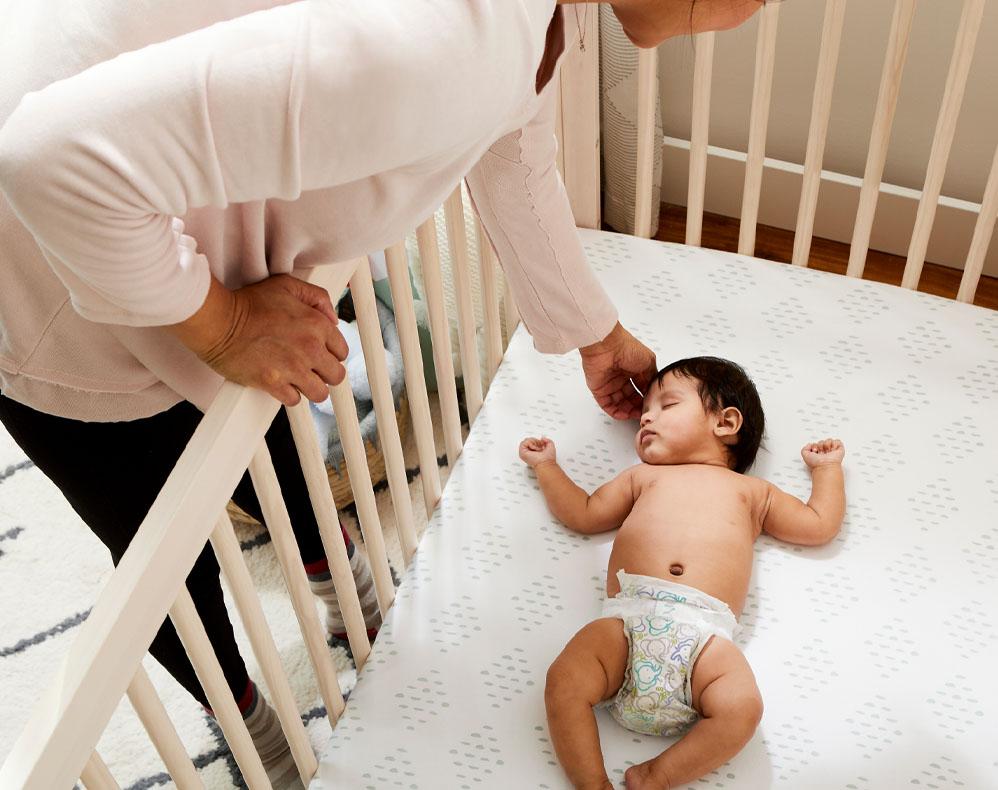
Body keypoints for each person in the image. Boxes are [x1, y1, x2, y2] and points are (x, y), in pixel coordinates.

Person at [0, 0, 763, 784]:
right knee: (161, 552)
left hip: (153, 198)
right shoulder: (447, 36)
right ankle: (243, 711)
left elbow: (512, 141)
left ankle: (346, 582)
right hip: (49, 269)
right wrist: (225, 326)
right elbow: (45, 160)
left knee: (276, 450)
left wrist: (593, 330)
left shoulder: (511, 29)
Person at [519, 357, 846, 790]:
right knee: (564, 680)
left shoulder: (753, 492)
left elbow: (818, 524)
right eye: (643, 413)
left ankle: (657, 776)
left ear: (726, 423)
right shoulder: (642, 478)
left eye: (667, 405)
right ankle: (592, 783)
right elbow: (583, 513)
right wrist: (548, 468)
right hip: (626, 623)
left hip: (704, 639)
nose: (646, 416)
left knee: (743, 709)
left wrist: (826, 471)